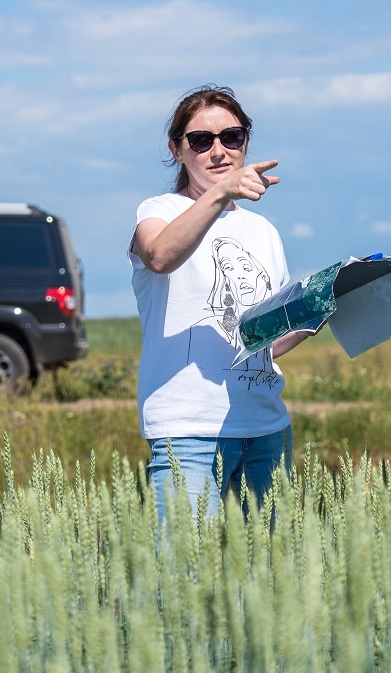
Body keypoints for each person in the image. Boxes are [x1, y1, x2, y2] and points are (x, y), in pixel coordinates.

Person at [129, 85, 310, 523]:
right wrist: (222, 191)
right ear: (177, 150)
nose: (218, 150)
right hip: (188, 430)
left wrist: (316, 312)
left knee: (269, 577)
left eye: (232, 137)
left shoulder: (263, 231)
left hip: (265, 426)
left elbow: (261, 340)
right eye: (200, 140)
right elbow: (159, 256)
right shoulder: (157, 210)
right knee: (183, 580)